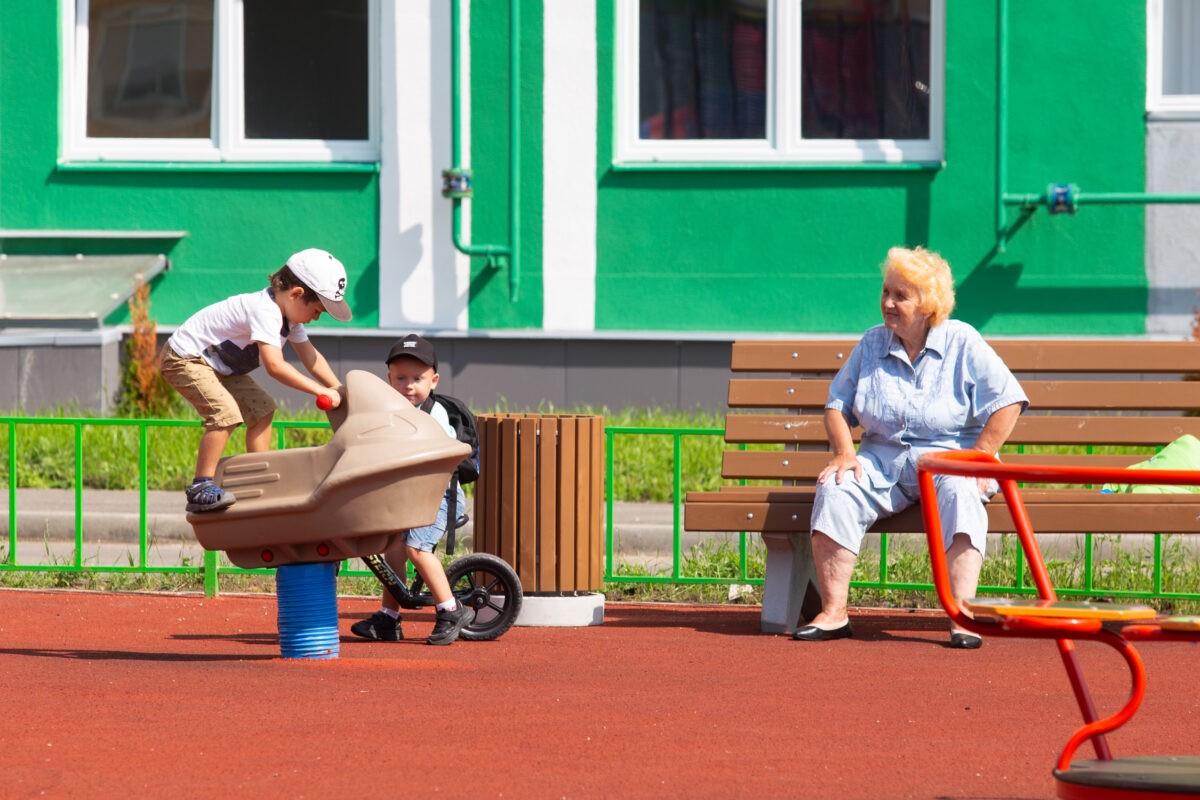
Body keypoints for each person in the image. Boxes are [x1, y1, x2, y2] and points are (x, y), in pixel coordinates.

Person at [796, 246, 1028, 649]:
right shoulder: (871, 343)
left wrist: (982, 456)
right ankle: (834, 613)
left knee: (960, 490)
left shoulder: (962, 341)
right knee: (837, 488)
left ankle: (962, 616)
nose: (887, 303)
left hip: (947, 459)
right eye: (886, 292)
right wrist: (844, 454)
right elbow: (837, 405)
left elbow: (1008, 399)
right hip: (881, 459)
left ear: (929, 304)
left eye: (900, 296)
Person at [159, 248, 351, 513]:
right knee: (225, 414)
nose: (316, 317)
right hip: (185, 359)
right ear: (296, 294)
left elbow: (310, 357)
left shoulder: (289, 319)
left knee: (262, 409)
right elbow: (275, 366)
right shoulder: (265, 310)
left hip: (218, 366)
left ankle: (260, 475)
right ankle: (200, 487)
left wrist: (338, 388)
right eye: (317, 310)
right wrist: (320, 391)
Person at [350, 334, 476, 646]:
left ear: (433, 380)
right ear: (388, 380)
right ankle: (389, 619)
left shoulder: (436, 414)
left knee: (415, 549)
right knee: (392, 548)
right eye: (401, 378)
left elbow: (441, 454)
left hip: (440, 495)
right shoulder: (389, 413)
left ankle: (451, 609)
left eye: (417, 379)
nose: (409, 386)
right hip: (409, 495)